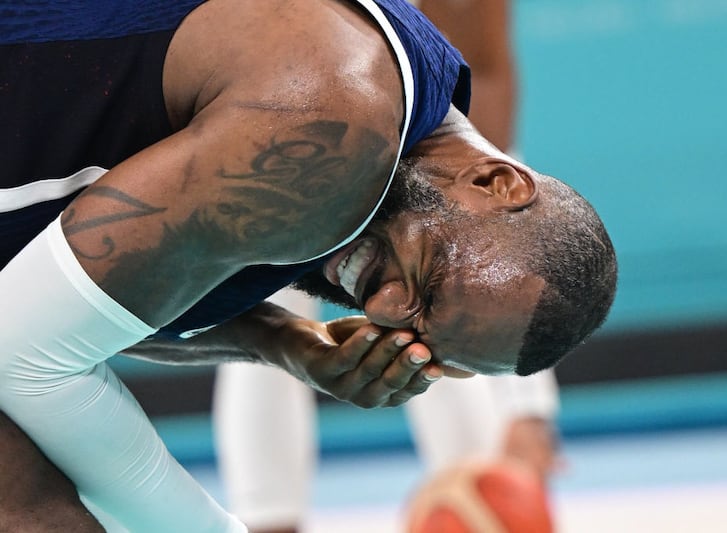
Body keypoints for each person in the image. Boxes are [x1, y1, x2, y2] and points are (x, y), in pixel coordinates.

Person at [0, 1, 617, 532]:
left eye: (418, 333)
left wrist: (284, 344)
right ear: (492, 181)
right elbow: (18, 353)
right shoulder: (335, 125)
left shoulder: (386, 121)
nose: (382, 309)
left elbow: (72, 314)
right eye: (427, 288)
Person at [213, 2, 562, 532]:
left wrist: (527, 407)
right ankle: (267, 520)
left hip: (399, 144)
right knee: (265, 298)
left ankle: (477, 481)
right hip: (266, 127)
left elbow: (486, 112)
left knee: (437, 288)